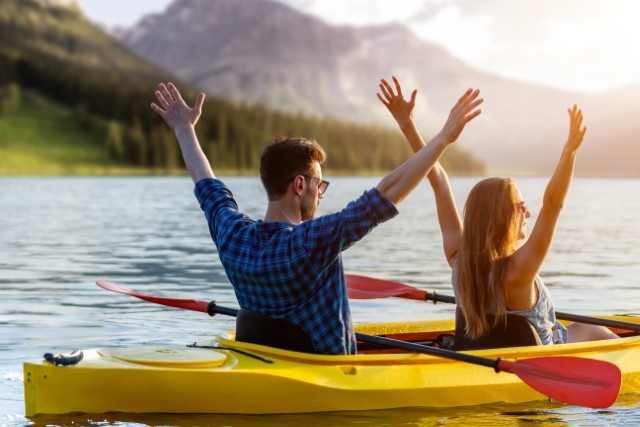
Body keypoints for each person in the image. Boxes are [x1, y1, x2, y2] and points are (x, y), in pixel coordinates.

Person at [150, 81, 482, 355]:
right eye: (319, 185)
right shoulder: (311, 241)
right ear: (299, 185)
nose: (321, 193)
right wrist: (443, 138)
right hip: (330, 377)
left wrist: (184, 130)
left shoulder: (232, 235)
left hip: (269, 363)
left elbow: (207, 185)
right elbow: (386, 193)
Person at [378, 76, 618, 345]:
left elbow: (439, 181)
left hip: (487, 354)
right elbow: (553, 205)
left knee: (575, 326)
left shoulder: (459, 260)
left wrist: (408, 125)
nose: (527, 215)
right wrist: (569, 152)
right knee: (590, 330)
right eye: (522, 208)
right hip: (542, 359)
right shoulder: (519, 273)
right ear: (503, 219)